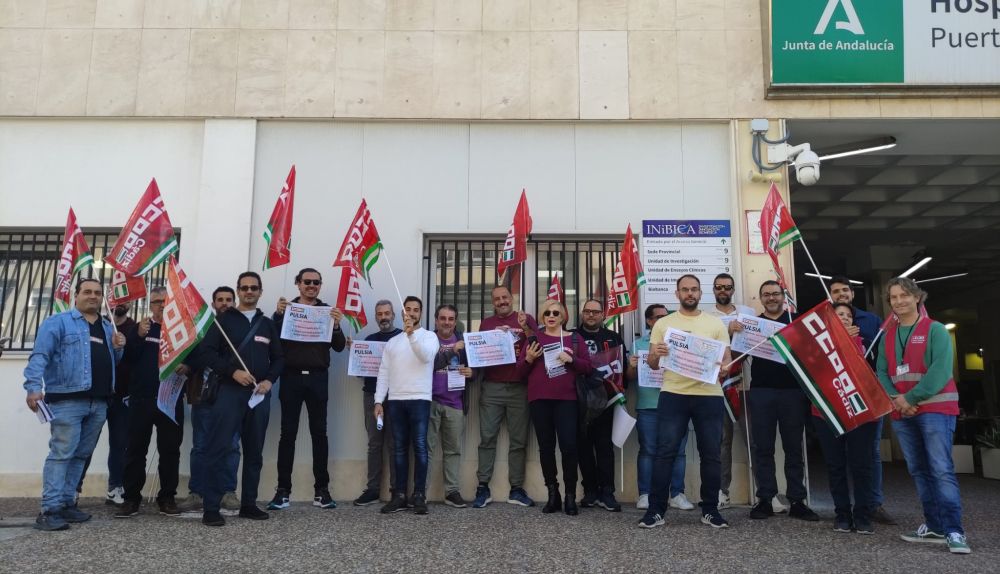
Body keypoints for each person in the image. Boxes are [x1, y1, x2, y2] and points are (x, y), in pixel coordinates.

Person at [876, 277, 970, 554]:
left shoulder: (936, 330)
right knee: (919, 470)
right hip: (904, 412)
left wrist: (909, 399)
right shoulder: (888, 335)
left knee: (940, 470)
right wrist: (897, 399)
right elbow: (882, 372)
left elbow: (941, 371)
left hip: (935, 410)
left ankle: (955, 531)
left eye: (904, 295)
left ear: (917, 298)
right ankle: (934, 526)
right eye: (893, 297)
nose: (899, 301)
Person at [23, 278, 126, 531]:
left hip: (99, 402)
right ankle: (49, 509)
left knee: (81, 455)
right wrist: (33, 388)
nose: (93, 296)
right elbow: (40, 356)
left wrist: (118, 348)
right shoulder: (57, 322)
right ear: (76, 295)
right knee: (61, 454)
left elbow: (112, 362)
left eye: (98, 293)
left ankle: (68, 503)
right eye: (87, 292)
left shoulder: (106, 326)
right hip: (67, 400)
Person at [638, 274, 732, 529]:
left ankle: (710, 510)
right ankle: (656, 511)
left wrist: (723, 369)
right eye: (685, 290)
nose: (690, 293)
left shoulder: (715, 324)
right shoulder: (664, 324)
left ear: (701, 294)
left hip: (709, 395)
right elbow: (653, 364)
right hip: (673, 394)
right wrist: (654, 355)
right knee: (664, 452)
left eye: (694, 289)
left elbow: (726, 361)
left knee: (711, 454)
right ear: (677, 294)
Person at [197, 271, 284, 527]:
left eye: (254, 288)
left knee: (254, 451)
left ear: (260, 291)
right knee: (219, 448)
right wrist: (232, 372)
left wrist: (269, 380)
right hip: (228, 393)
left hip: (258, 396)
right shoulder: (223, 322)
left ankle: (248, 504)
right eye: (244, 288)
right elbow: (206, 354)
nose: (249, 291)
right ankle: (211, 507)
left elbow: (279, 358)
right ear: (238, 291)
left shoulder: (267, 324)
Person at [267, 268, 347, 511]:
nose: (312, 285)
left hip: (318, 378)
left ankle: (321, 491)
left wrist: (335, 326)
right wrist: (277, 315)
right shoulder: (286, 310)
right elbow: (273, 340)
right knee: (287, 434)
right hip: (290, 378)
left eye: (316, 282)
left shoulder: (327, 311)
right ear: (298, 284)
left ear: (320, 286)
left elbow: (340, 347)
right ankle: (282, 491)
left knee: (319, 434)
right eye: (307, 282)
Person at [744, 281, 819, 522]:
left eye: (775, 294)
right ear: (761, 298)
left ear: (783, 296)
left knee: (794, 447)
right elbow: (738, 354)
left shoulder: (797, 322)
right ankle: (766, 498)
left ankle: (797, 500)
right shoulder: (753, 325)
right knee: (762, 448)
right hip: (761, 391)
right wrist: (735, 332)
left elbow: (812, 353)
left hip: (793, 392)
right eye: (766, 295)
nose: (771, 298)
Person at [115, 287, 187, 518]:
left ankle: (167, 497)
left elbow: (194, 357)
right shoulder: (141, 328)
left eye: (166, 301)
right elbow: (126, 360)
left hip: (170, 400)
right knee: (135, 450)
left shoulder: (183, 330)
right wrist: (138, 336)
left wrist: (188, 367)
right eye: (157, 301)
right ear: (150, 304)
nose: (162, 305)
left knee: (170, 451)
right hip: (141, 399)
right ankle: (131, 499)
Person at [517, 299, 592, 515]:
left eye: (556, 313)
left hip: (567, 401)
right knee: (546, 448)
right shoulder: (533, 338)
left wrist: (571, 359)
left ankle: (570, 495)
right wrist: (529, 359)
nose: (551, 316)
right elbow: (519, 373)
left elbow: (588, 368)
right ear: (542, 317)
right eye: (547, 313)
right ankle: (553, 494)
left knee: (569, 447)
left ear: (563, 317)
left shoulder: (575, 339)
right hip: (539, 400)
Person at [830, 275, 893, 525]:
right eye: (836, 291)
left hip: (866, 397)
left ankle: (871, 505)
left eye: (845, 290)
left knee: (869, 454)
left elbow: (881, 357)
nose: (841, 294)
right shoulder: (824, 321)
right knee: (838, 457)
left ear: (852, 293)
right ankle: (843, 510)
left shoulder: (872, 321)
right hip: (836, 398)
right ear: (830, 295)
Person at [814, 302, 878, 535]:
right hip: (826, 411)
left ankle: (862, 515)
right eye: (838, 314)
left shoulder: (868, 343)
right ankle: (842, 514)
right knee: (835, 465)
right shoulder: (817, 345)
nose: (844, 318)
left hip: (860, 410)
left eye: (848, 315)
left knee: (862, 464)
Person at [176, 286, 241, 514]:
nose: (225, 303)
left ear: (235, 302)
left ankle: (228, 493)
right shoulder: (202, 328)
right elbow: (195, 354)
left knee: (231, 447)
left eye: (229, 299)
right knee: (200, 447)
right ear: (213, 304)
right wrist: (188, 364)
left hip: (232, 397)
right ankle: (197, 493)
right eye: (220, 300)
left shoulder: (241, 326)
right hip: (203, 395)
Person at [473, 286, 537, 508]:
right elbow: (479, 354)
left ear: (512, 298)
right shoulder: (486, 323)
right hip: (492, 387)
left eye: (505, 297)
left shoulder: (525, 318)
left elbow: (539, 344)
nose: (501, 301)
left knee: (519, 441)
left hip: (520, 387)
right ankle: (483, 487)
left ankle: (516, 489)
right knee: (487, 438)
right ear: (493, 302)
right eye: (497, 299)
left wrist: (525, 328)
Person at [373, 296, 439, 515]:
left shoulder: (429, 337)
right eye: (408, 309)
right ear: (402, 313)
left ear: (421, 313)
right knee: (398, 448)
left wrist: (412, 336)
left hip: (420, 398)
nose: (411, 313)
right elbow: (384, 372)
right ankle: (399, 495)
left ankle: (419, 495)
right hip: (396, 400)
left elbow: (426, 357)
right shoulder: (392, 342)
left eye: (416, 310)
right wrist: (378, 400)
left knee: (420, 447)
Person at [628, 304, 692, 511]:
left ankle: (677, 494)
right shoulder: (639, 344)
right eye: (659, 317)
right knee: (648, 450)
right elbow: (628, 378)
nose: (665, 320)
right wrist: (632, 366)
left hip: (678, 403)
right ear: (649, 321)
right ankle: (645, 494)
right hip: (649, 405)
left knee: (679, 452)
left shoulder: (681, 342)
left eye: (667, 317)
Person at [700, 272, 753, 510]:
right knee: (723, 441)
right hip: (718, 385)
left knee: (756, 440)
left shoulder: (748, 313)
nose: (723, 290)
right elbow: (703, 345)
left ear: (733, 289)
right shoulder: (704, 317)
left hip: (748, 384)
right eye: (719, 287)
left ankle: (766, 493)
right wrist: (728, 329)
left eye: (727, 287)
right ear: (713, 290)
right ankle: (722, 492)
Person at [77, 303, 136, 507]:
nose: (121, 304)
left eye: (125, 300)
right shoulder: (100, 325)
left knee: (120, 445)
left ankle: (115, 487)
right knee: (86, 444)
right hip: (97, 395)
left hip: (122, 398)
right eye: (116, 299)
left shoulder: (136, 328)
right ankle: (74, 489)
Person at [572, 299, 624, 512]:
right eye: (587, 311)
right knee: (583, 447)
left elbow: (620, 368)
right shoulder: (571, 336)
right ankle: (590, 491)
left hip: (606, 400)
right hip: (578, 400)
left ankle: (607, 492)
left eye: (596, 312)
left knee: (604, 447)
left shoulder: (613, 338)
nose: (591, 315)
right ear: (582, 314)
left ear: (603, 315)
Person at [353, 300, 401, 506]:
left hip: (398, 397)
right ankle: (372, 489)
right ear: (375, 317)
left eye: (387, 313)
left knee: (395, 444)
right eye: (380, 314)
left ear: (394, 316)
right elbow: (359, 374)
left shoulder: (402, 338)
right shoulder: (369, 339)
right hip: (372, 397)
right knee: (374, 443)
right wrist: (355, 356)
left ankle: (396, 490)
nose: (384, 317)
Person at [428, 304, 474, 507]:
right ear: (436, 320)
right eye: (443, 318)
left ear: (455, 321)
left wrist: (473, 373)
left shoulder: (464, 342)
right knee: (425, 450)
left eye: (451, 319)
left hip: (455, 403)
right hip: (429, 402)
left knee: (453, 450)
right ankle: (421, 492)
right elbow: (425, 364)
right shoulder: (427, 340)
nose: (447, 322)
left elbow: (477, 367)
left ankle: (452, 492)